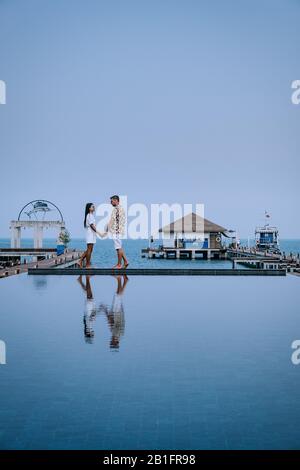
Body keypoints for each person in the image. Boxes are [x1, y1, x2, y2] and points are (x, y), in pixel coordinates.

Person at [106, 195, 129, 269]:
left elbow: (114, 220)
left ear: (116, 200)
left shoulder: (117, 209)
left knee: (118, 247)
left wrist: (109, 228)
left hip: (117, 230)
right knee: (119, 247)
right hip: (118, 230)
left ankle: (119, 264)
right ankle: (125, 261)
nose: (111, 202)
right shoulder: (120, 208)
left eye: (112, 201)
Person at [78, 203, 103, 268]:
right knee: (89, 249)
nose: (94, 207)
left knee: (90, 249)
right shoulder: (89, 215)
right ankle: (87, 265)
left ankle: (80, 261)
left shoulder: (90, 215)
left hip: (91, 234)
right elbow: (92, 226)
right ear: (89, 208)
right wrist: (98, 232)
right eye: (92, 206)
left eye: (94, 206)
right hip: (90, 234)